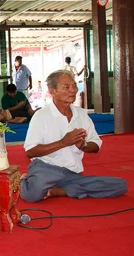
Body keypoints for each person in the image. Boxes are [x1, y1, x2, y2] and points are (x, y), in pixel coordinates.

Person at [20, 70, 127, 202]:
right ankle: (25, 178)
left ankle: (60, 191)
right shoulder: (41, 115)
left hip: (72, 172)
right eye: (66, 87)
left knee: (120, 185)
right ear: (53, 91)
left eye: (74, 86)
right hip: (45, 168)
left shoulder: (81, 114)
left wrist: (84, 146)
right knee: (32, 194)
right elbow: (30, 151)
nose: (73, 90)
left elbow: (96, 145)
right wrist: (63, 142)